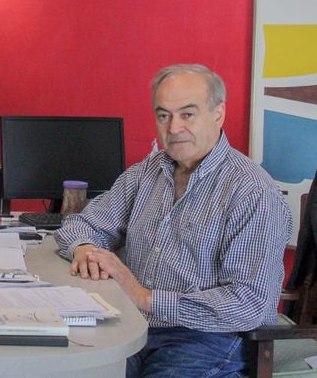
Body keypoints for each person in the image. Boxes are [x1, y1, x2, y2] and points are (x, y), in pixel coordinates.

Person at [55, 64, 292, 378]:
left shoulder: (252, 191)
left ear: (218, 114)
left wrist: (145, 297)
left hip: (206, 338)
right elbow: (81, 225)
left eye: (188, 114)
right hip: (132, 325)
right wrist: (84, 247)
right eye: (163, 115)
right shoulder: (150, 171)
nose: (174, 127)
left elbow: (247, 303)